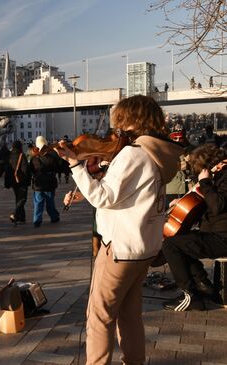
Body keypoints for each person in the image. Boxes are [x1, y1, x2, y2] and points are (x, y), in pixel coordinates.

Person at [56, 95, 183, 365]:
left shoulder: (133, 153)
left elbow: (105, 197)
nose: (115, 126)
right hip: (144, 248)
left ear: (129, 119)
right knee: (129, 314)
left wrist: (75, 165)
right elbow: (131, 195)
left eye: (119, 119)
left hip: (120, 249)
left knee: (99, 316)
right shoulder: (157, 153)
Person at [162, 144, 227, 311]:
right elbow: (210, 206)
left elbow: (218, 205)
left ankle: (190, 294)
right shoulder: (219, 176)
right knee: (180, 240)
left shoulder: (225, 176)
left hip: (222, 238)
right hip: (215, 234)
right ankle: (203, 285)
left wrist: (205, 182)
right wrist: (183, 203)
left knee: (171, 246)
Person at [30, 135, 61, 227]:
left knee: (38, 203)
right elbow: (57, 167)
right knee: (50, 202)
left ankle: (37, 220)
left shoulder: (34, 158)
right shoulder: (52, 157)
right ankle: (54, 217)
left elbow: (31, 170)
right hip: (49, 183)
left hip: (38, 184)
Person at [7, 140, 30, 225]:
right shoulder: (21, 155)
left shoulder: (10, 156)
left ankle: (21, 217)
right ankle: (15, 214)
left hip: (13, 181)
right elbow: (25, 170)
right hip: (21, 181)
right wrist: (27, 180)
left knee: (18, 199)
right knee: (23, 199)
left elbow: (8, 169)